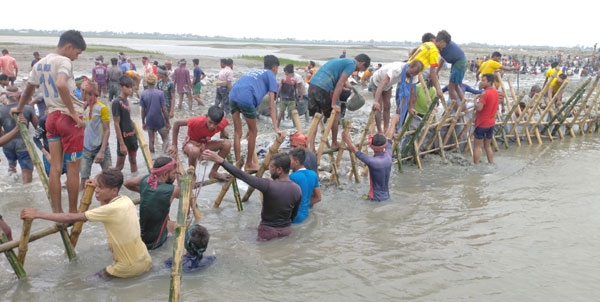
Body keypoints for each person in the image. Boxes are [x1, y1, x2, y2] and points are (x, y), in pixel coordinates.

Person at [21, 169, 152, 279]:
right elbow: (106, 207)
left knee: (85, 283)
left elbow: (69, 217)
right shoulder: (125, 200)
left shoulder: (110, 210)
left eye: (100, 188)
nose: (96, 190)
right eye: (97, 186)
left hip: (127, 267)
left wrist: (37, 214)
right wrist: (96, 184)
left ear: (113, 190)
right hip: (145, 260)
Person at [12, 30, 86, 213]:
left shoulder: (39, 64)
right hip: (69, 120)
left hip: (51, 117)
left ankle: (57, 211)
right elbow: (61, 84)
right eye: (77, 53)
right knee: (73, 168)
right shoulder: (64, 61)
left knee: (55, 166)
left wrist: (19, 108)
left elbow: (29, 89)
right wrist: (73, 113)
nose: (76, 58)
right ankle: (72, 212)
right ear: (69, 47)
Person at [202, 150, 301, 241]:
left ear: (279, 170)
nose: (269, 169)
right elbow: (293, 216)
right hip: (286, 232)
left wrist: (220, 160)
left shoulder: (268, 185)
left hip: (267, 233)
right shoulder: (297, 189)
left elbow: (241, 175)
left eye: (271, 167)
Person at [229, 55, 283, 171]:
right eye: (277, 69)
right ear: (274, 68)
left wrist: (250, 126)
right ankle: (248, 164)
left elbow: (255, 99)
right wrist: (276, 128)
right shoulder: (271, 75)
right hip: (246, 97)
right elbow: (272, 105)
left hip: (233, 95)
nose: (277, 71)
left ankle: (238, 164)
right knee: (254, 131)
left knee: (237, 131)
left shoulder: (255, 72)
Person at [308, 54, 371, 149]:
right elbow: (340, 83)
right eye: (361, 69)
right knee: (336, 113)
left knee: (316, 118)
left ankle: (311, 146)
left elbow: (343, 81)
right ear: (362, 63)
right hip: (324, 87)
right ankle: (334, 143)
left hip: (313, 85)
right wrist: (334, 104)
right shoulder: (352, 64)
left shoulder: (344, 62)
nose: (357, 71)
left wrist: (350, 87)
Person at [124, 157, 179, 250]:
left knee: (170, 224)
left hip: (143, 235)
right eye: (174, 173)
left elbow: (127, 183)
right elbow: (188, 189)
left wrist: (142, 191)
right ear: (165, 174)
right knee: (185, 226)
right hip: (156, 243)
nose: (175, 175)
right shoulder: (173, 190)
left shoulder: (146, 180)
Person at [342, 114, 399, 201]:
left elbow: (355, 150)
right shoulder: (388, 156)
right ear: (384, 145)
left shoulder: (371, 161)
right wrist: (393, 122)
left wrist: (346, 139)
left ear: (372, 147)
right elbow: (390, 137)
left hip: (375, 199)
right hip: (387, 197)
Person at [169, 105, 230, 180]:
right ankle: (192, 174)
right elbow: (177, 123)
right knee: (194, 151)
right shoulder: (198, 121)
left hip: (205, 144)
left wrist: (223, 132)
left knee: (227, 144)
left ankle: (213, 172)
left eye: (215, 124)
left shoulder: (220, 122)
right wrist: (174, 145)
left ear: (219, 122)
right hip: (190, 143)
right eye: (210, 122)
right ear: (206, 116)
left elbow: (222, 123)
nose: (212, 126)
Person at [370, 60, 423, 133]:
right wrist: (376, 101)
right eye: (411, 72)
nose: (411, 75)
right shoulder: (397, 69)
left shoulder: (414, 75)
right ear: (409, 66)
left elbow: (412, 91)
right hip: (377, 81)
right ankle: (380, 130)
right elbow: (383, 83)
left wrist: (410, 107)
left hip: (388, 85)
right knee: (378, 107)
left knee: (387, 106)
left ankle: (386, 128)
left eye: (414, 74)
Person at [80, 80, 111, 190]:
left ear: (85, 92)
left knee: (108, 177)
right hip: (86, 148)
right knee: (84, 178)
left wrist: (102, 151)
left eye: (81, 91)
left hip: (101, 147)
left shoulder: (102, 108)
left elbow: (107, 130)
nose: (80, 94)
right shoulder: (83, 107)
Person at [0, 89, 37, 183]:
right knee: (27, 176)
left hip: (7, 145)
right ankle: (26, 196)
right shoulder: (28, 108)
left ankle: (12, 186)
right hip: (24, 145)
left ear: (7, 97)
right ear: (20, 97)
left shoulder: (1, 109)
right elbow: (38, 127)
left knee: (11, 169)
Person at [407, 34, 448, 106]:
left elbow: (414, 52)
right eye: (445, 44)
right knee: (407, 99)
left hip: (408, 70)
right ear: (442, 42)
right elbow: (432, 71)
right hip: (412, 74)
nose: (444, 47)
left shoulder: (427, 44)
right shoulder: (434, 50)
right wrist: (438, 89)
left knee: (407, 98)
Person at [112, 75, 138, 173]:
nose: (130, 90)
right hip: (123, 138)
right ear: (121, 87)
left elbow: (127, 119)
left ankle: (134, 184)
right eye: (128, 87)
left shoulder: (126, 100)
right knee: (119, 166)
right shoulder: (117, 102)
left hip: (131, 136)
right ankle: (108, 184)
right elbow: (116, 124)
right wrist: (122, 143)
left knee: (133, 161)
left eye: (131, 87)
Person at [436, 30, 468, 111]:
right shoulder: (442, 45)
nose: (444, 46)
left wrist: (436, 72)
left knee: (451, 88)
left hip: (459, 63)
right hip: (460, 61)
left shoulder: (444, 46)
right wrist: (437, 72)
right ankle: (464, 108)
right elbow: (442, 60)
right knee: (456, 86)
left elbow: (441, 60)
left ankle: (457, 110)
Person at [141, 73, 170, 153]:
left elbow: (143, 110)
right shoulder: (160, 93)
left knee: (151, 141)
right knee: (165, 139)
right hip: (159, 120)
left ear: (147, 82)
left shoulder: (143, 94)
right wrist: (167, 122)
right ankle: (162, 154)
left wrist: (143, 122)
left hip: (149, 120)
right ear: (155, 82)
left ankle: (153, 159)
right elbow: (164, 109)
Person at [289, 149, 321, 224]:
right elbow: (318, 198)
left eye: (289, 160)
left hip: (292, 217)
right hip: (305, 214)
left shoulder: (292, 177)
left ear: (296, 162)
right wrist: (304, 205)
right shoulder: (313, 174)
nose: (287, 162)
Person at [473, 73, 499, 164]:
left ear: (489, 82)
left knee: (477, 147)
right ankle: (491, 163)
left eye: (484, 80)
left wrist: (475, 101)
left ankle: (476, 165)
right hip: (491, 123)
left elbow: (479, 108)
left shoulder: (484, 93)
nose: (481, 82)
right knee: (488, 146)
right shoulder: (495, 92)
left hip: (482, 123)